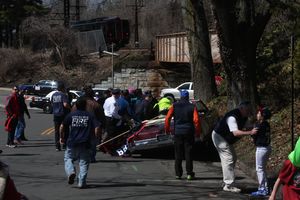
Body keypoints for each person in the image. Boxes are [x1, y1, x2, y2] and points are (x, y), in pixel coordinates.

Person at [211, 101, 258, 193]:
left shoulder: (244, 117)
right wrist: (250, 133)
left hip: (225, 138)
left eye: (249, 110)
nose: (249, 112)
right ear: (241, 109)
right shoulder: (232, 117)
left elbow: (248, 126)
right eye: (247, 110)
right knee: (228, 159)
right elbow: (236, 133)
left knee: (233, 157)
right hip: (219, 137)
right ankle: (228, 184)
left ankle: (226, 181)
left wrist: (257, 127)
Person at [60, 97, 100, 188]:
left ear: (76, 106)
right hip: (85, 143)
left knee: (68, 159)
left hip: (72, 142)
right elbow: (97, 128)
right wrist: (95, 139)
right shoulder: (90, 115)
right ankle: (81, 182)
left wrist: (61, 137)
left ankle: (71, 172)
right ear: (85, 106)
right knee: (83, 162)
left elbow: (62, 126)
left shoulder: (71, 115)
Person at [165, 90, 201, 180]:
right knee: (188, 153)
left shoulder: (174, 106)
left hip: (178, 132)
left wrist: (167, 130)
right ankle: (189, 173)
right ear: (188, 97)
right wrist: (197, 132)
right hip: (189, 132)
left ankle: (178, 174)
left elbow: (167, 118)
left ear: (180, 97)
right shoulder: (192, 106)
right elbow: (196, 120)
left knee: (178, 153)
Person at [251, 107, 272, 197]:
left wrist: (252, 134)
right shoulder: (267, 124)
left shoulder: (259, 125)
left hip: (261, 148)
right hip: (267, 147)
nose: (257, 115)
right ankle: (266, 188)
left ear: (262, 116)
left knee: (259, 169)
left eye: (259, 113)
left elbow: (253, 135)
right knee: (262, 169)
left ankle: (262, 189)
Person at [51, 82, 70, 151]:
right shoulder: (63, 95)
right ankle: (65, 145)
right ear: (62, 88)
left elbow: (52, 104)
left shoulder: (53, 95)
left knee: (56, 131)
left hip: (56, 114)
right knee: (65, 130)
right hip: (63, 114)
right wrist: (70, 108)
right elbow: (65, 104)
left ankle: (57, 146)